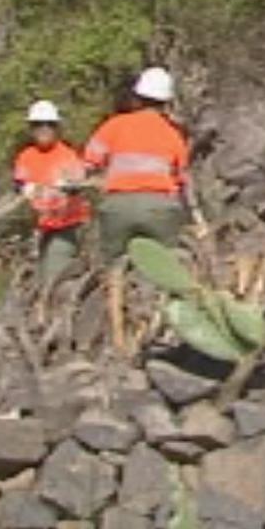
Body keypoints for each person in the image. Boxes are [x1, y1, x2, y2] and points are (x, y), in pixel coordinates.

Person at [82, 67, 204, 352]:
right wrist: (196, 216)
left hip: (118, 207)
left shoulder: (114, 125)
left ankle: (111, 329)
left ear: (137, 97)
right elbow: (183, 178)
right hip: (160, 208)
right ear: (166, 102)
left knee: (112, 266)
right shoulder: (174, 134)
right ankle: (165, 328)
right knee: (164, 267)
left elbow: (89, 162)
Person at [12, 100, 92, 285]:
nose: (44, 129)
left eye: (49, 125)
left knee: (55, 275)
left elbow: (78, 184)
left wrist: (67, 186)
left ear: (56, 128)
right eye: (38, 125)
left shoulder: (68, 155)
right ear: (31, 128)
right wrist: (26, 188)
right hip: (39, 227)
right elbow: (19, 182)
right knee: (38, 278)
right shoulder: (26, 156)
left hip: (66, 226)